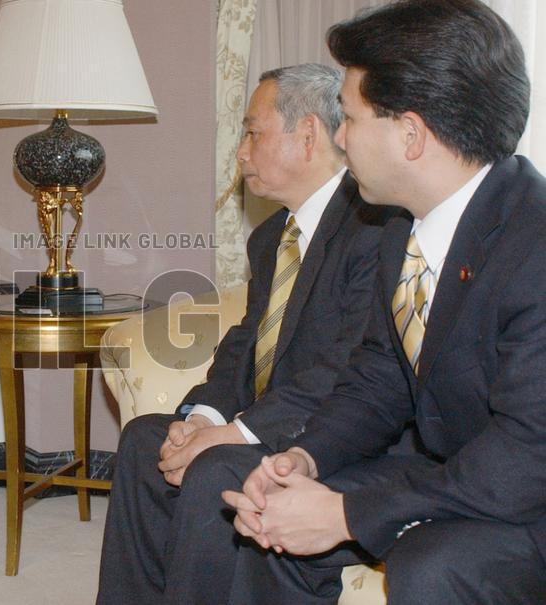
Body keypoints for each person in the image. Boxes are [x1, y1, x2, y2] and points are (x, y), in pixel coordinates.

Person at [222, 1, 546, 602]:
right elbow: (379, 379)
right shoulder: (399, 229)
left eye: (348, 118)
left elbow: (527, 455)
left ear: (411, 133)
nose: (339, 139)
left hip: (529, 490)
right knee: (274, 511)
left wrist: (346, 515)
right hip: (460, 473)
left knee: (434, 563)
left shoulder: (536, 244)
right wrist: (306, 458)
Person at [96, 64, 398, 604]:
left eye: (253, 132)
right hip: (271, 424)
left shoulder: (374, 230)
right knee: (146, 439)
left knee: (218, 466)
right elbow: (244, 345)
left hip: (341, 439)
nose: (241, 152)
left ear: (307, 136)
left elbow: (349, 368)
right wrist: (203, 418)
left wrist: (236, 434)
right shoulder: (271, 239)